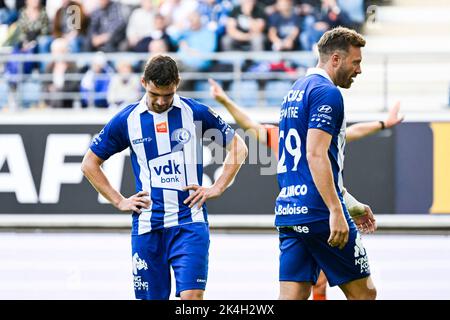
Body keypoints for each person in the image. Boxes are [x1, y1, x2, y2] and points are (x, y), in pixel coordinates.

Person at [209, 78, 403, 300]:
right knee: (344, 288)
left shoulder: (283, 136)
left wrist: (383, 124)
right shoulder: (313, 135)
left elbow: (249, 125)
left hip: (292, 213)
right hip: (318, 211)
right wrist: (224, 100)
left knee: (302, 288)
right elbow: (249, 125)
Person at [81, 55, 248, 300]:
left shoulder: (196, 112)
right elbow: (89, 163)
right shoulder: (127, 119)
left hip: (189, 223)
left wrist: (217, 187)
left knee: (192, 299)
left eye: (167, 95)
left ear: (177, 83)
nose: (161, 101)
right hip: (148, 227)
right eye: (154, 94)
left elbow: (239, 147)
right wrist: (119, 201)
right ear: (143, 82)